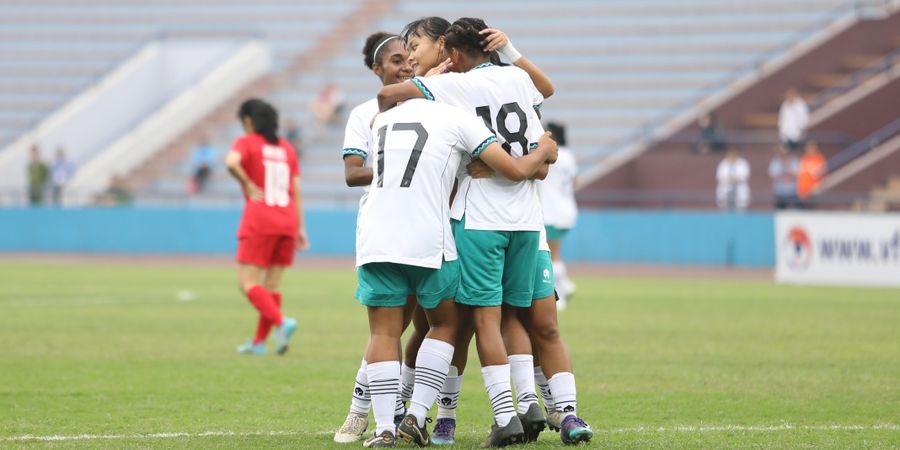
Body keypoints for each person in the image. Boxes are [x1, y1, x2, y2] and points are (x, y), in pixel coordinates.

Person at [383, 17, 593, 447]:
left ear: (453, 53)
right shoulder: (517, 79)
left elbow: (390, 96)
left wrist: (434, 76)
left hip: (477, 220)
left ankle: (490, 416)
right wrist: (538, 153)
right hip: (528, 224)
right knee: (532, 321)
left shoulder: (453, 87)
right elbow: (544, 144)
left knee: (476, 322)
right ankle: (548, 407)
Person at [359, 95, 556, 448]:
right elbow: (517, 169)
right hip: (430, 236)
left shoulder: (382, 118)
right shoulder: (455, 117)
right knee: (448, 324)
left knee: (384, 334)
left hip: (377, 234)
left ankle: (385, 428)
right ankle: (418, 415)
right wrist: (542, 148)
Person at [333, 31, 416, 444]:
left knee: (410, 326)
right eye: (397, 60)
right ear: (377, 69)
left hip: (426, 228)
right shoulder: (364, 113)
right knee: (389, 327)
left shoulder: (429, 106)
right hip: (383, 227)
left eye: (409, 58)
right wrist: (399, 168)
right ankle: (358, 411)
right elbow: (352, 173)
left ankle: (398, 410)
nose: (406, 66)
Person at [225, 98, 308, 356]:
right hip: (287, 221)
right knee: (271, 287)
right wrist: (301, 228)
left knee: (247, 283)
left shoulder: (246, 142)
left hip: (260, 219)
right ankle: (260, 343)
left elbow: (231, 163)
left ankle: (281, 323)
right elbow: (296, 191)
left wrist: (248, 184)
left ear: (248, 121)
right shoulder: (287, 149)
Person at [539, 122, 578, 309]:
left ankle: (560, 294)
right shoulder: (569, 155)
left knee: (550, 255)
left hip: (551, 211)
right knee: (555, 252)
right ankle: (566, 285)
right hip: (568, 209)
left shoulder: (552, 154)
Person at [716, 147, 751, 211]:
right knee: (724, 209)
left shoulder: (742, 163)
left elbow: (744, 176)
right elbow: (720, 177)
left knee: (740, 209)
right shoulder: (723, 163)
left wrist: (734, 178)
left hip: (739, 190)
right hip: (726, 189)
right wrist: (729, 179)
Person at [797, 140, 827, 207]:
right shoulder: (804, 158)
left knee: (812, 210)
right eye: (808, 148)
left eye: (812, 148)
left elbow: (822, 174)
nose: (810, 150)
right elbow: (800, 174)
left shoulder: (819, 158)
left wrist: (818, 186)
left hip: (813, 190)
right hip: (803, 190)